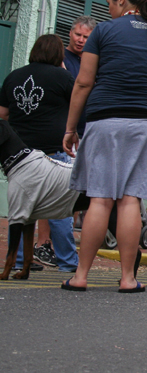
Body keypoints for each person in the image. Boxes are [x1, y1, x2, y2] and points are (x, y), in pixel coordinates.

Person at [62, 0, 147, 292]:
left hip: (105, 120)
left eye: (109, 4)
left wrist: (70, 128)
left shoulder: (103, 31)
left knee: (100, 200)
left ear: (120, 0)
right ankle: (128, 279)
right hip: (146, 124)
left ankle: (80, 277)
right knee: (130, 200)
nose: (109, 10)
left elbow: (83, 82)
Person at [0, 34, 79, 273]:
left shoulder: (14, 76)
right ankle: (67, 261)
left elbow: (3, 114)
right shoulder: (63, 77)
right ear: (59, 55)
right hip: (51, 151)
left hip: (20, 156)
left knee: (22, 211)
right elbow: (78, 105)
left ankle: (21, 260)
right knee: (59, 209)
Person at [62, 16, 96, 138]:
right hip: (66, 130)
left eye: (86, 37)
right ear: (70, 33)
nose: (80, 40)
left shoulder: (94, 62)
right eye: (78, 34)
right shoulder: (60, 58)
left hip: (89, 130)